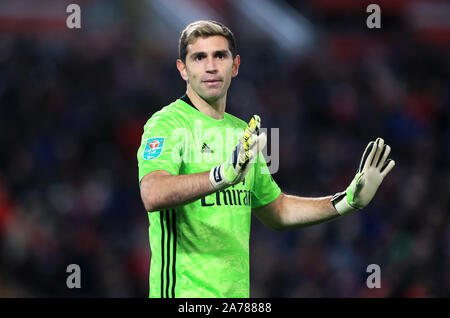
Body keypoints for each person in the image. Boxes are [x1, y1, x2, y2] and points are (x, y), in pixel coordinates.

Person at [137, 20, 395, 298]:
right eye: (199, 57)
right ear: (183, 69)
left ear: (234, 66)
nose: (211, 67)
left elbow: (277, 210)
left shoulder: (242, 133)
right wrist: (221, 175)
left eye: (219, 56)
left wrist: (345, 202)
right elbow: (152, 192)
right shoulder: (167, 124)